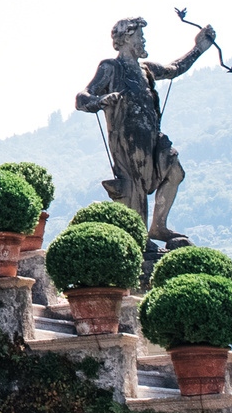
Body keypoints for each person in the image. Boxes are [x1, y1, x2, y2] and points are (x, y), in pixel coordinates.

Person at [74, 15, 217, 247]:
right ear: (127, 38)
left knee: (175, 170)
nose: (144, 40)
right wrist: (101, 100)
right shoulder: (111, 67)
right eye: (140, 35)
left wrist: (198, 48)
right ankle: (139, 238)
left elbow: (174, 69)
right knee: (135, 187)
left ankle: (158, 226)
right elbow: (82, 97)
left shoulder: (146, 69)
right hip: (127, 139)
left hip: (151, 137)